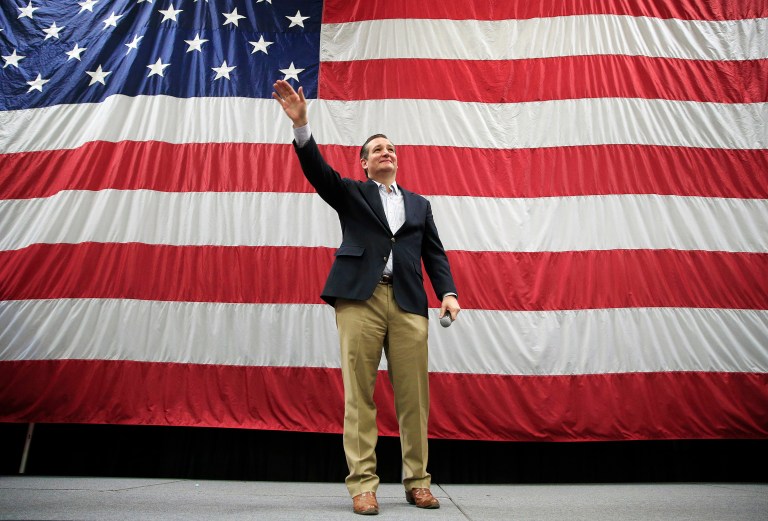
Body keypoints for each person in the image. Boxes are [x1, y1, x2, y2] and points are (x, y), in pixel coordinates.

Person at [273, 79, 460, 516]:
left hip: (410, 304)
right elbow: (318, 172)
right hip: (360, 300)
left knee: (414, 397)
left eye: (391, 148)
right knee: (360, 395)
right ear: (364, 164)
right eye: (377, 149)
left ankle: (418, 482)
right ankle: (363, 485)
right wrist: (302, 127)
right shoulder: (352, 193)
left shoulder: (420, 205)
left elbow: (435, 253)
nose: (386, 153)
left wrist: (448, 293)